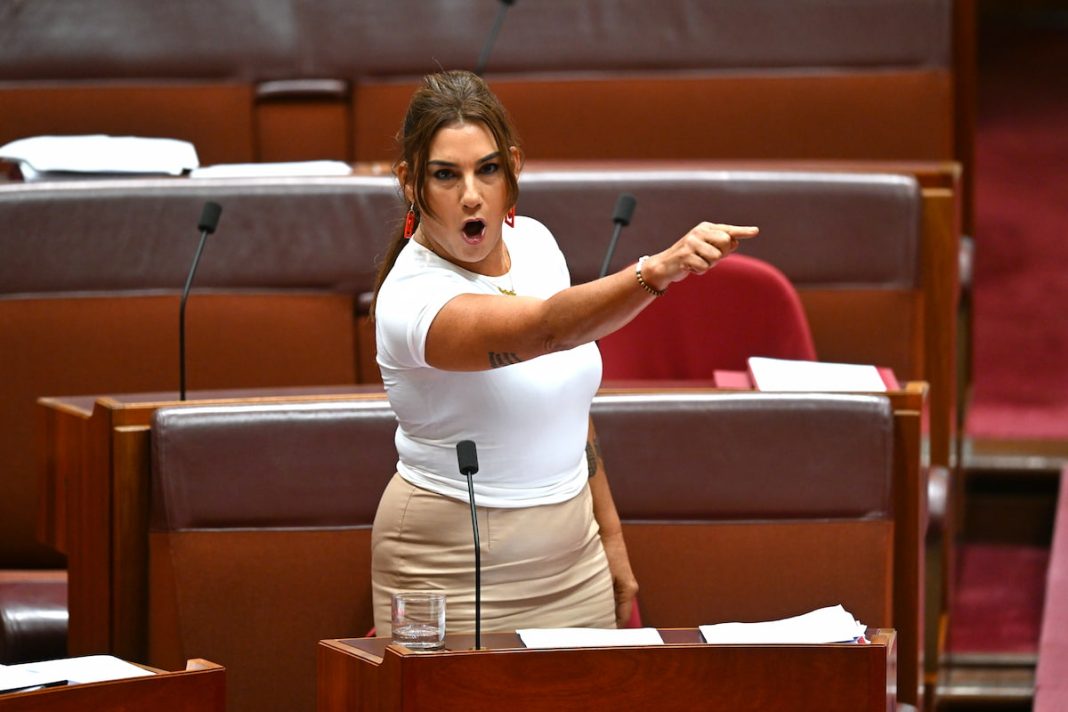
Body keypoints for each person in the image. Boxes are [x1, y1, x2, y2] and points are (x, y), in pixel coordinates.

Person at [370, 69, 758, 635]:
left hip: (573, 555)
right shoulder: (410, 299)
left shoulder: (536, 243)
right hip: (451, 563)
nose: (472, 195)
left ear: (514, 168)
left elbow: (570, 405)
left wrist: (612, 536)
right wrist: (658, 270)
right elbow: (545, 331)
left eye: (488, 169)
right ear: (410, 182)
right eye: (446, 176)